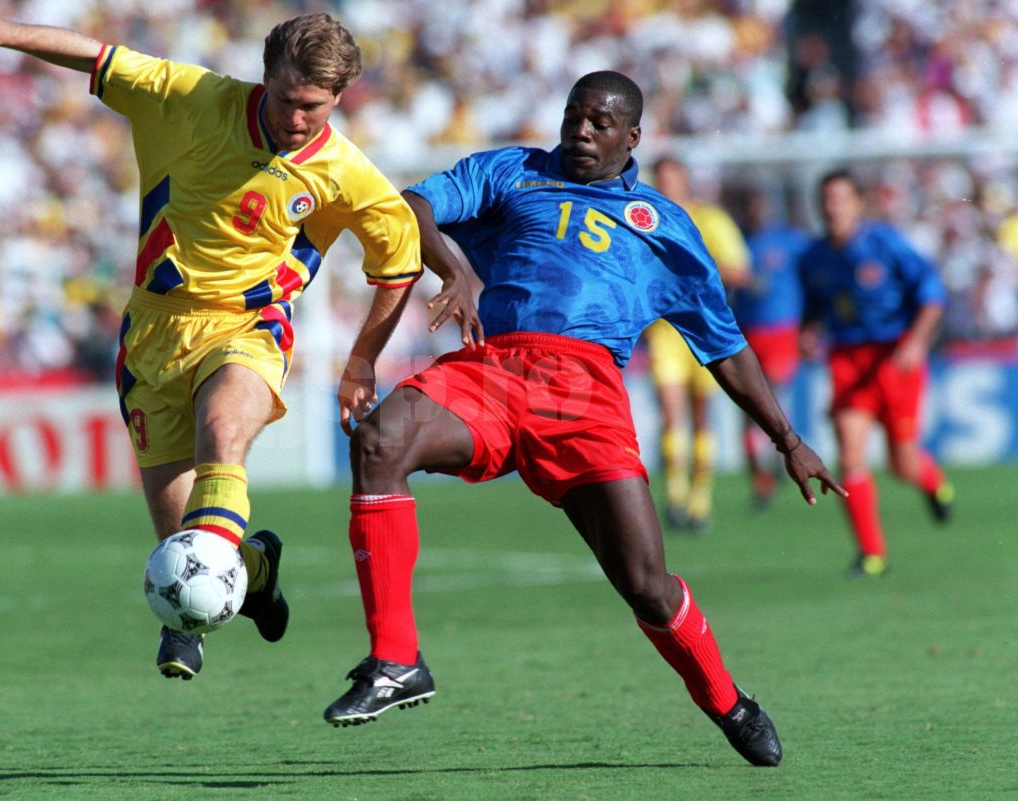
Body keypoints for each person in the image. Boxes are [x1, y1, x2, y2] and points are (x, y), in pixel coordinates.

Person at [0, 3, 478, 679]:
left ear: (338, 98)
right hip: (152, 328)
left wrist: (361, 360)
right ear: (263, 76)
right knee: (180, 528)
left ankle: (188, 621)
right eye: (287, 99)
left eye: (316, 106)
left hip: (250, 325)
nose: (299, 118)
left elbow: (397, 264)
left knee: (223, 431)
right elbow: (98, 57)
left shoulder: (347, 173)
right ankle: (254, 568)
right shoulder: (192, 98)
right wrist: (0, 32)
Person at [323, 71, 845, 768]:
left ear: (633, 137)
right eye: (574, 117)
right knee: (381, 439)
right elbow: (412, 204)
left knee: (646, 586)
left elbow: (723, 346)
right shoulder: (512, 171)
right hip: (496, 369)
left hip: (586, 393)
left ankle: (728, 701)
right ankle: (395, 657)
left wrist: (789, 439)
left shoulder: (664, 225)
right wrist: (453, 269)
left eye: (600, 123)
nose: (581, 132)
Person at [799, 169, 954, 577]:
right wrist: (810, 333)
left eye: (840, 199)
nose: (832, 208)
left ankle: (933, 481)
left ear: (858, 203)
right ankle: (872, 553)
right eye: (826, 200)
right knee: (850, 452)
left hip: (894, 358)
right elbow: (812, 310)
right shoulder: (813, 257)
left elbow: (932, 294)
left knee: (901, 464)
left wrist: (917, 341)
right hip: (848, 359)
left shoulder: (885, 244)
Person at [645, 157, 750, 532]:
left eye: (672, 179)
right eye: (660, 179)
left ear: (686, 181)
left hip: (705, 329)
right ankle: (674, 496)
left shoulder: (710, 220)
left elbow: (739, 270)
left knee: (701, 416)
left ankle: (700, 499)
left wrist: (695, 268)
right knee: (672, 414)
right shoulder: (644, 219)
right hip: (665, 332)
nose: (666, 186)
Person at [729, 189, 810, 508]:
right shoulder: (739, 242)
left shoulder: (791, 241)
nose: (757, 211)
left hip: (781, 332)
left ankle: (782, 457)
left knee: (773, 396)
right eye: (752, 205)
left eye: (761, 204)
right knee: (749, 406)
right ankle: (761, 475)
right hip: (747, 333)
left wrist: (809, 323)